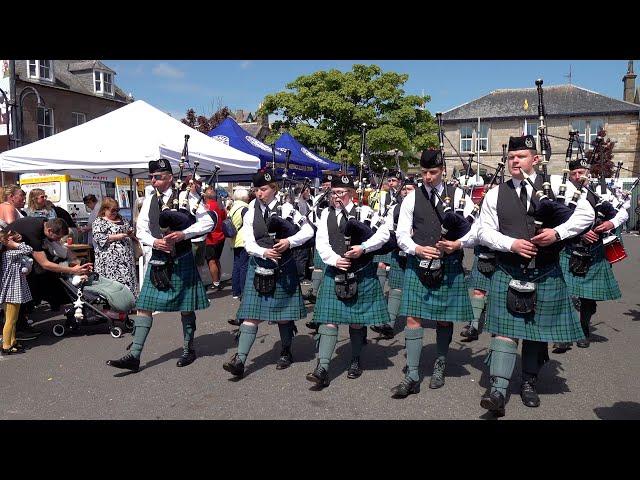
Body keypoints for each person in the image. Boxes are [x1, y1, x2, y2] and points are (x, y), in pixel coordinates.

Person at [477, 135, 594, 417]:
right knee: (505, 331)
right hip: (509, 268)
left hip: (545, 270)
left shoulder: (557, 186)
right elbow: (483, 231)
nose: (515, 161)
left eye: (521, 156)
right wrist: (511, 243)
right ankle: (498, 389)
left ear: (535, 159)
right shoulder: (496, 193)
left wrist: (557, 233)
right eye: (511, 157)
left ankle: (528, 382)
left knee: (535, 331)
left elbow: (587, 214)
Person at [106, 158, 214, 372]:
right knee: (144, 306)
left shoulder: (186, 196)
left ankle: (188, 348)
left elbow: (208, 222)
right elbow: (141, 229)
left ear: (170, 178)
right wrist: (155, 241)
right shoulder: (149, 199)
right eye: (152, 177)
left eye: (159, 177)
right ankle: (135, 355)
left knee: (186, 307)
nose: (154, 181)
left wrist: (184, 234)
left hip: (182, 258)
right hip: (158, 258)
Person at [390, 150, 476, 398]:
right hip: (419, 264)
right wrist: (416, 248)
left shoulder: (459, 195)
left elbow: (475, 228)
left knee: (443, 319)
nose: (427, 177)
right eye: (424, 173)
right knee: (412, 318)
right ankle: (413, 374)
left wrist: (458, 244)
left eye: (433, 173)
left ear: (443, 171)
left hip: (448, 264)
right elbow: (402, 234)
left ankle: (439, 364)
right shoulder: (411, 198)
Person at [222, 169, 314, 378]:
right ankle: (240, 359)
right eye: (256, 190)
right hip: (259, 264)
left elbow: (308, 230)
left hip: (283, 266)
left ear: (273, 188)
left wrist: (289, 241)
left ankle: (285, 351)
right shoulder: (250, 210)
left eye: (263, 189)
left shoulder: (287, 208)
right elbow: (247, 240)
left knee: (283, 316)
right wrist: (263, 251)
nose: (259, 193)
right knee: (251, 314)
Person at [305, 174, 392, 388]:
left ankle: (355, 359)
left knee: (356, 320)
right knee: (328, 319)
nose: (336, 197)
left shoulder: (365, 212)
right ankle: (322, 367)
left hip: (361, 271)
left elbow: (383, 234)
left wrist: (363, 248)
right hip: (335, 270)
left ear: (351, 194)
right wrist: (335, 260)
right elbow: (321, 242)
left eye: (341, 193)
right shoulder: (325, 214)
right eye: (334, 193)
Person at [554, 158, 626, 351]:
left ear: (588, 172)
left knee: (588, 297)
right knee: (566, 292)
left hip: (595, 250)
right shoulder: (563, 192)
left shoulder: (602, 192)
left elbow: (623, 213)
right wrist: (580, 231)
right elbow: (557, 218)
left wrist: (610, 224)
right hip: (570, 248)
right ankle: (565, 334)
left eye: (581, 172)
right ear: (570, 175)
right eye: (574, 173)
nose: (578, 177)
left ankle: (583, 329)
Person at [7, 217, 93, 330]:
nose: (59, 239)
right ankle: (19, 327)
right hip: (9, 261)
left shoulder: (47, 223)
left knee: (38, 280)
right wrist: (73, 270)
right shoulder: (34, 233)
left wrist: (78, 263)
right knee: (27, 287)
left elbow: (63, 250)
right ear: (50, 231)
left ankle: (23, 321)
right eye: (58, 237)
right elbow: (45, 264)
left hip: (21, 259)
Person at [370, 177, 416, 339]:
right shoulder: (395, 207)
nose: (405, 191)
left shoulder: (423, 206)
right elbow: (388, 228)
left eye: (409, 189)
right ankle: (389, 324)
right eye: (404, 189)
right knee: (396, 286)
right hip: (399, 251)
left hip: (419, 252)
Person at [92, 197, 138, 297]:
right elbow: (98, 238)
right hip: (109, 261)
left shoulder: (122, 219)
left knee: (127, 279)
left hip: (126, 259)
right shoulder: (99, 222)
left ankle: (128, 301)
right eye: (112, 210)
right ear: (104, 209)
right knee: (113, 283)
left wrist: (130, 233)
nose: (115, 213)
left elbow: (129, 229)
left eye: (117, 210)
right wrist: (117, 236)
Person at [0, 229, 34, 355]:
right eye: (11, 236)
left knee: (13, 319)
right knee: (10, 320)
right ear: (5, 241)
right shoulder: (9, 254)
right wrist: (13, 243)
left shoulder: (11, 253)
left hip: (14, 289)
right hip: (11, 290)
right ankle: (6, 345)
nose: (15, 237)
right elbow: (28, 249)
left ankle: (12, 341)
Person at [228, 187, 250, 300]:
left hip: (235, 240)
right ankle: (243, 292)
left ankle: (236, 291)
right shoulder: (245, 208)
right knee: (244, 267)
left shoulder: (233, 207)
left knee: (237, 266)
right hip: (243, 240)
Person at [204, 186, 227, 291]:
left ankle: (216, 283)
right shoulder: (220, 206)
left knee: (211, 261)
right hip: (221, 236)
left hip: (211, 238)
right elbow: (224, 218)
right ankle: (218, 280)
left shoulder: (206, 207)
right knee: (216, 259)